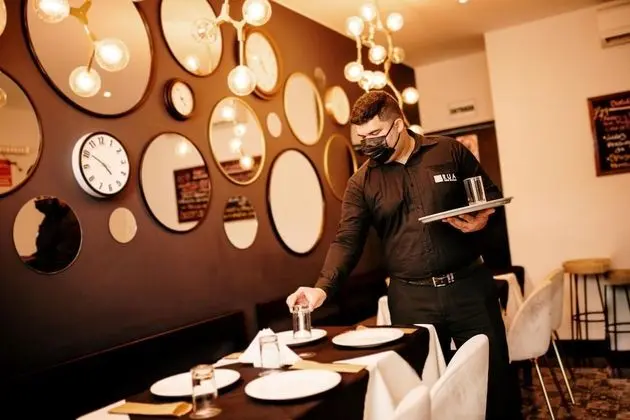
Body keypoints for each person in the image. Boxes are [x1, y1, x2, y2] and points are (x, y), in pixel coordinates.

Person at [286, 91, 522, 419]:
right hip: (411, 299)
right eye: (362, 137)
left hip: (469, 288)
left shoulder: (449, 151)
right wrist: (321, 288)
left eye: (375, 134)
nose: (368, 144)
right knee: (421, 388)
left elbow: (488, 195)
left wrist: (481, 218)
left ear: (398, 125)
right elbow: (347, 241)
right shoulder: (361, 183)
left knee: (494, 378)